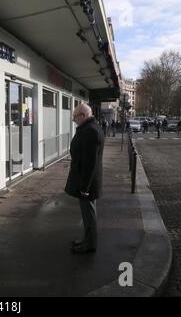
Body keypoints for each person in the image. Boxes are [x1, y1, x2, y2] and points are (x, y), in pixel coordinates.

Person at [65, 104, 104, 254]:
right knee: (88, 214)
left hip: (87, 182)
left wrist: (85, 187)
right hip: (87, 181)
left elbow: (90, 162)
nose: (73, 119)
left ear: (83, 116)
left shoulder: (90, 131)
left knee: (89, 215)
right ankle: (87, 240)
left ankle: (89, 244)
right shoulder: (90, 128)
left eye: (75, 116)